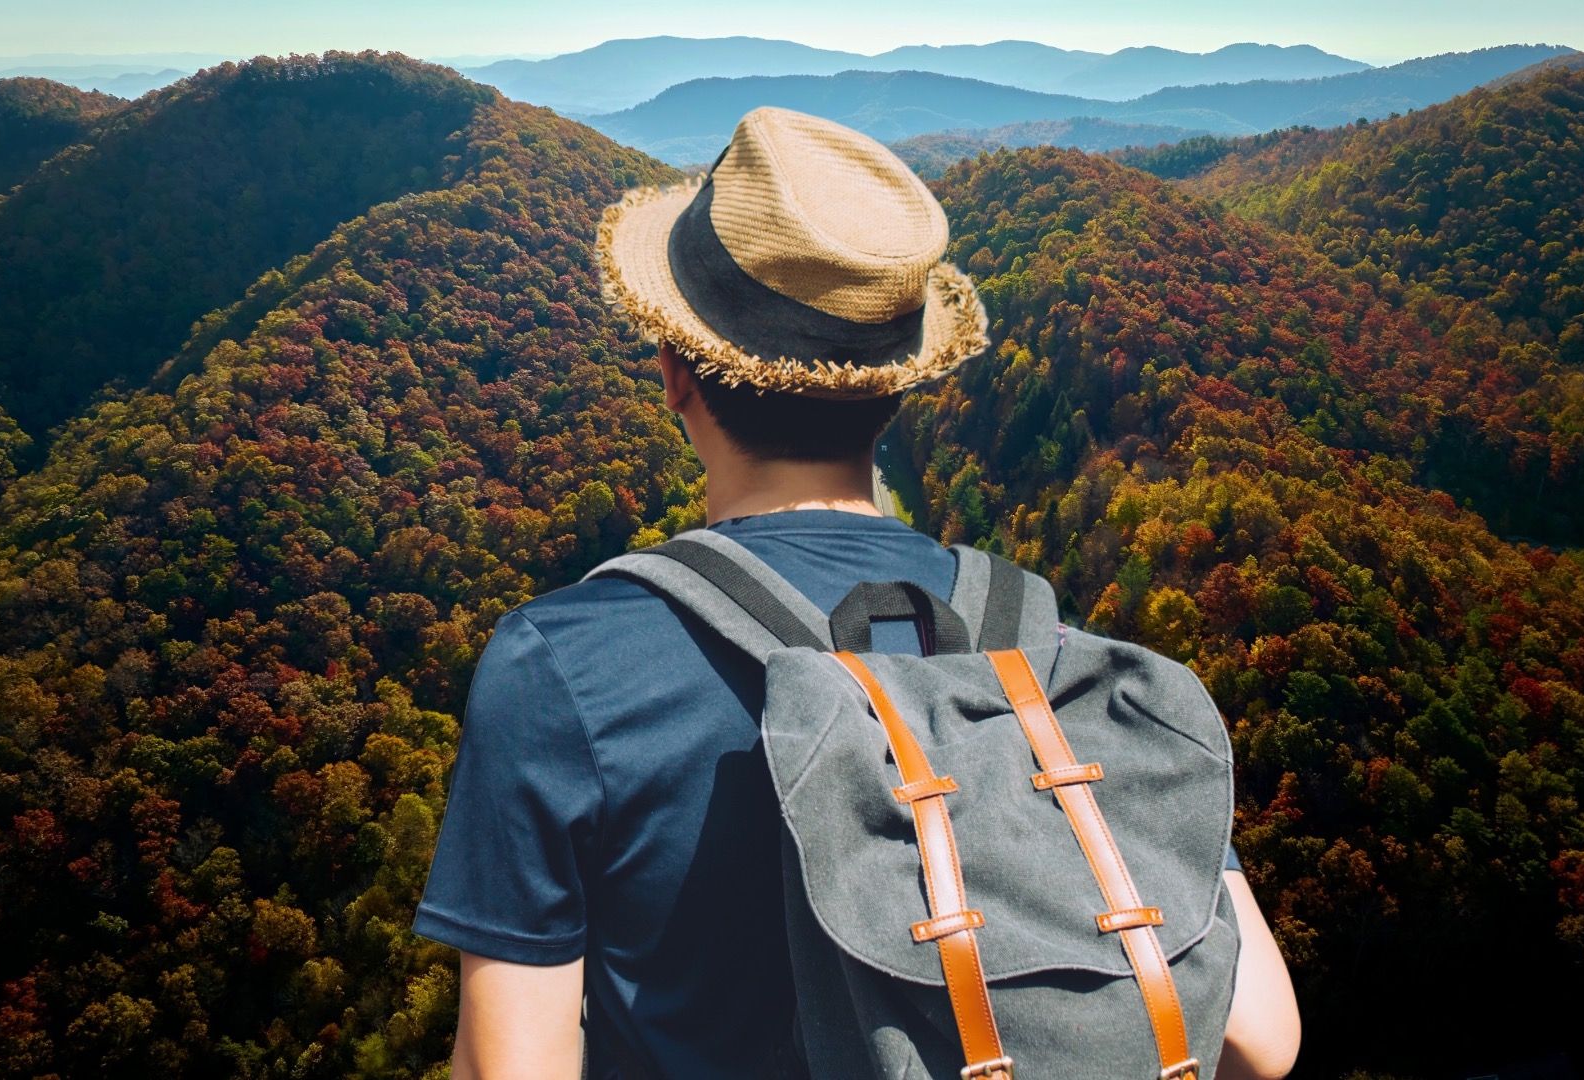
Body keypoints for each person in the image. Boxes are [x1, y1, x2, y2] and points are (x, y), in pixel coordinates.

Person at [412, 105, 1301, 1080]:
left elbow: (508, 1069)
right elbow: (1261, 1034)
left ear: (675, 371)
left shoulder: (564, 671)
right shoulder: (1039, 650)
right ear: (900, 388)